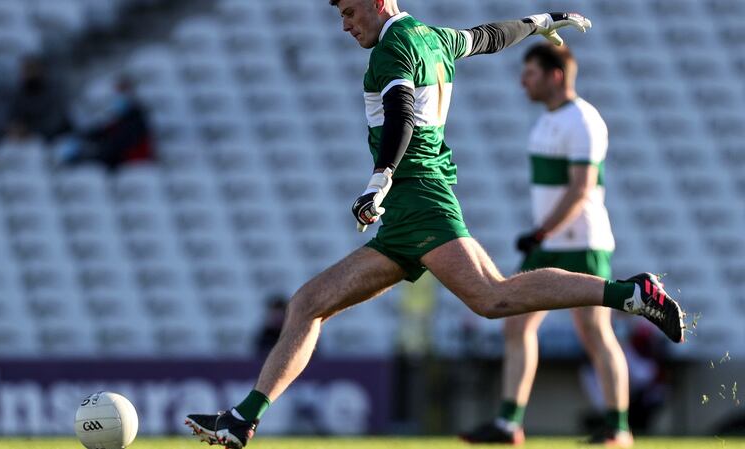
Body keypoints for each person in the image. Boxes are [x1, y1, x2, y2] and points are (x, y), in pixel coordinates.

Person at [184, 2, 685, 447]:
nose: (345, 24)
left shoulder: (390, 50)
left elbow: (401, 110)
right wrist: (540, 23)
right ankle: (241, 421)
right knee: (309, 303)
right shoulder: (433, 37)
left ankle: (631, 294)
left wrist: (378, 180)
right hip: (409, 211)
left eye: (349, 12)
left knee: (493, 298)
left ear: (378, 2)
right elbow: (489, 37)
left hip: (418, 200)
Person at [459, 43, 633, 447]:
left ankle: (618, 428)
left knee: (594, 331)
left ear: (555, 75)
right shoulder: (545, 123)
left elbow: (581, 189)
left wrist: (541, 231)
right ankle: (508, 424)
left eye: (531, 73)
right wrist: (542, 233)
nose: (523, 81)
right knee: (516, 324)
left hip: (582, 239)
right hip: (550, 238)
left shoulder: (584, 119)